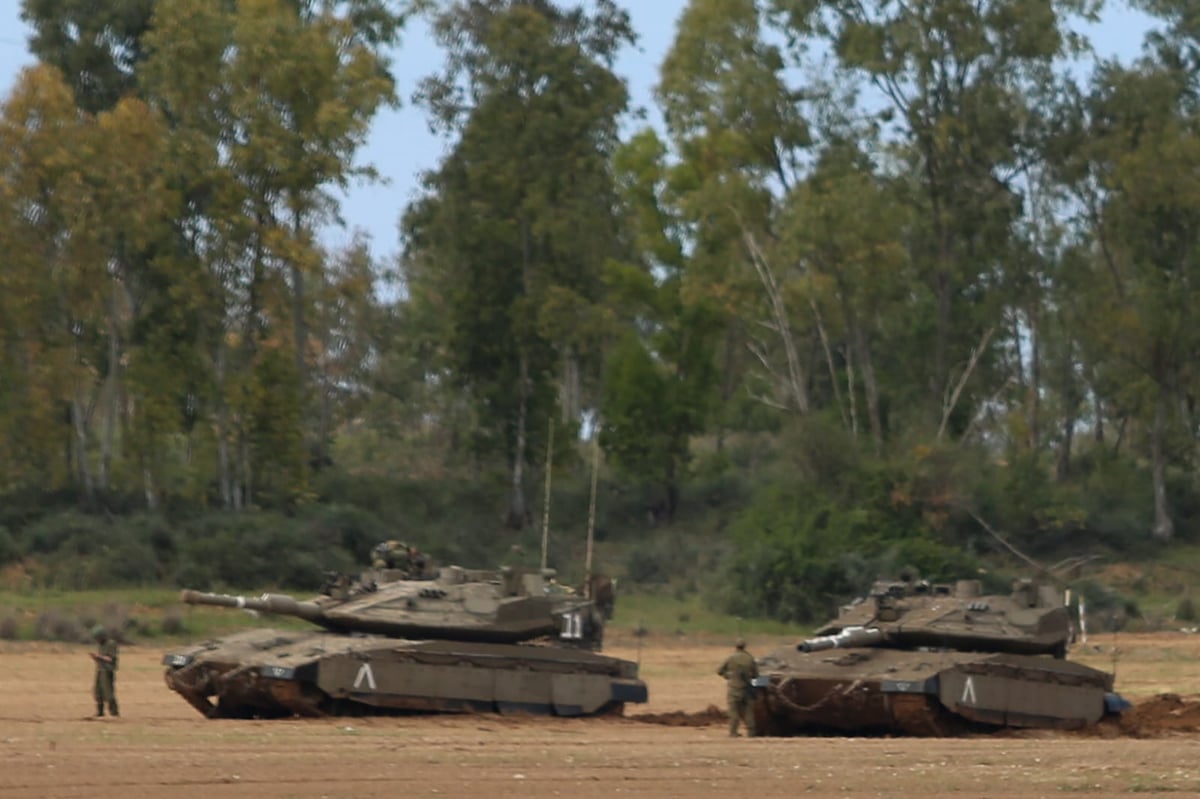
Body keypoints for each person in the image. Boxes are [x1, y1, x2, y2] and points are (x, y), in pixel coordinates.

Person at [717, 638, 757, 737]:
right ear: (745, 646)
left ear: (736, 646)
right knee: (748, 711)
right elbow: (756, 675)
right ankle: (751, 732)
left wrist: (728, 675)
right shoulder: (750, 658)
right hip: (746, 688)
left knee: (733, 711)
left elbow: (719, 671)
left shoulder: (731, 658)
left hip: (734, 688)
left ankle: (733, 732)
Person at [90, 625, 119, 718]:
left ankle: (114, 712)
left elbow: (111, 658)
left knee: (108, 693)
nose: (97, 640)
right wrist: (96, 658)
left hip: (107, 670)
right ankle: (100, 712)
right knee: (98, 692)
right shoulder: (101, 645)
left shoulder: (111, 644)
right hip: (100, 669)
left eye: (97, 637)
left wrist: (99, 657)